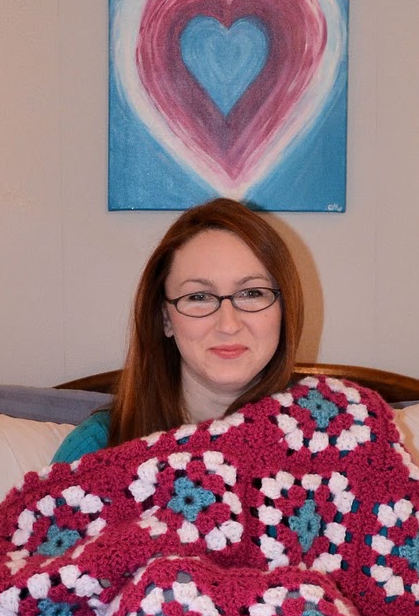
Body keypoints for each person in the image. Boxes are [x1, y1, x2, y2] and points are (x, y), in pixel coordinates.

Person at [51, 198, 306, 462]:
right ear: (166, 318)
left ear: (284, 309)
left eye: (252, 293)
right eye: (199, 297)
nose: (228, 325)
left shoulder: (327, 436)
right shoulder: (93, 449)